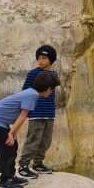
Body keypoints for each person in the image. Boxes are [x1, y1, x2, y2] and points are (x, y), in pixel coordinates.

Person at [0, 72, 60, 188]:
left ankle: (11, 176)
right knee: (5, 150)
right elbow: (23, 116)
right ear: (48, 88)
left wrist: (13, 133)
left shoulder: (31, 93)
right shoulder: (32, 95)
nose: (51, 92)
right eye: (52, 89)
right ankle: (5, 182)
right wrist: (11, 133)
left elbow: (18, 115)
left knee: (12, 146)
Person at [18, 44, 58, 177]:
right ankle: (23, 165)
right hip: (36, 113)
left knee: (46, 140)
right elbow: (25, 92)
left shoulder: (54, 74)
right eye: (39, 58)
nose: (41, 61)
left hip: (49, 113)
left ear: (51, 60)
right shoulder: (33, 74)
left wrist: (53, 109)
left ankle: (38, 163)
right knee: (33, 139)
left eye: (44, 58)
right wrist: (27, 110)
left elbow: (52, 93)